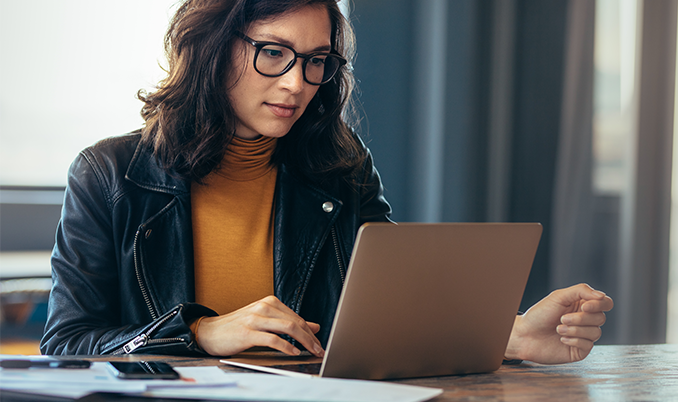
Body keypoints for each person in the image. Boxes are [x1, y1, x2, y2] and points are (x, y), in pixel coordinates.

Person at [40, 0, 613, 365]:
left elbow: (390, 313)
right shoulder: (109, 174)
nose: (297, 82)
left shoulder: (340, 165)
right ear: (212, 49)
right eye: (273, 53)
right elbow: (66, 344)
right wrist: (201, 333)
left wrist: (507, 336)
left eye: (316, 61)